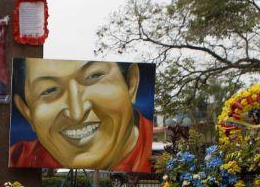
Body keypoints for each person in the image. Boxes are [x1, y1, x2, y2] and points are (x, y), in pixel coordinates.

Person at [10, 60, 153, 172]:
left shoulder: (159, 159)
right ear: (27, 113)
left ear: (131, 84)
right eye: (49, 90)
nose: (76, 114)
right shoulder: (17, 158)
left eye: (94, 76)